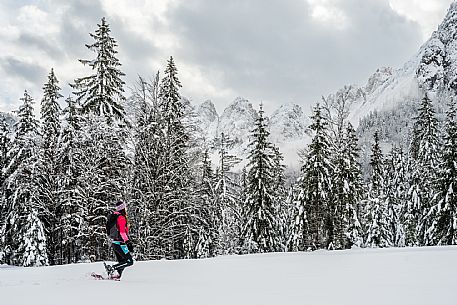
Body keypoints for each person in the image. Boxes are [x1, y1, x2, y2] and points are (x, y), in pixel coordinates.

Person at [105, 201, 134, 279]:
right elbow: (122, 232)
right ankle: (112, 268)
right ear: (123, 208)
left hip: (115, 243)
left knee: (122, 263)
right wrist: (128, 242)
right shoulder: (121, 218)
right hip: (120, 244)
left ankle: (115, 276)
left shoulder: (116, 216)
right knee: (129, 261)